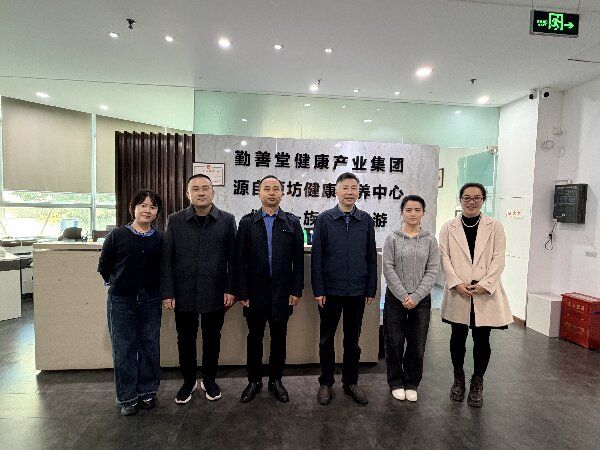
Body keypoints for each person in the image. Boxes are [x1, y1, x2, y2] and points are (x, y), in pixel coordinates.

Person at [161, 174, 237, 404]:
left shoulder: (226, 220)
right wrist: (168, 292)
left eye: (205, 188)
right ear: (188, 194)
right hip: (183, 291)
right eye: (195, 189)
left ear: (213, 192)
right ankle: (188, 381)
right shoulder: (175, 220)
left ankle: (209, 380)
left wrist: (231, 289)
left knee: (212, 338)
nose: (201, 192)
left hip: (215, 291)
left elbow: (233, 259)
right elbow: (167, 259)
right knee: (185, 339)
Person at [439, 182, 512, 407]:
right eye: (467, 198)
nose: (471, 202)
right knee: (457, 337)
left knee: (482, 339)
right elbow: (444, 258)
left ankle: (477, 382)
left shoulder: (495, 226)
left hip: (484, 292)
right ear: (460, 200)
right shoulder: (448, 227)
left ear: (483, 200)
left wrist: (486, 284)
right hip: (459, 291)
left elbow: (499, 258)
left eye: (477, 198)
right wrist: (455, 283)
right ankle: (458, 379)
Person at [233, 175, 304, 403]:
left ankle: (276, 381)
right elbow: (239, 261)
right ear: (259, 193)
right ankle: (254, 381)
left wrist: (296, 290)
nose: (271, 192)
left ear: (282, 193)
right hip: (254, 294)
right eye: (267, 188)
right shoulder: (247, 223)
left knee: (279, 338)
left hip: (282, 293)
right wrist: (242, 292)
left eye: (276, 189)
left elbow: (298, 262)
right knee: (254, 338)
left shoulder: (292, 223)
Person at [311, 172, 377, 406]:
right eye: (345, 188)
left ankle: (350, 381)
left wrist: (371, 288)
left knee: (353, 340)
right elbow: (317, 258)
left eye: (353, 188)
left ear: (358, 192)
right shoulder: (324, 220)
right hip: (330, 291)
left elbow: (370, 257)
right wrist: (318, 290)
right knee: (326, 339)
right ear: (336, 191)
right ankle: (326, 382)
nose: (350, 192)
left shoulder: (366, 220)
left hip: (357, 291)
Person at [98, 189, 164, 416]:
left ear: (157, 212)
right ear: (133, 208)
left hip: (151, 299)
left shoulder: (160, 238)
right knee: (124, 348)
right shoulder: (117, 235)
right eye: (143, 205)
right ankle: (127, 398)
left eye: (152, 207)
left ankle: (148, 392)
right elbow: (104, 266)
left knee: (149, 345)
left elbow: (164, 268)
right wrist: (118, 283)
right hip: (121, 300)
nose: (147, 210)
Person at [382, 195, 439, 402]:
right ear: (401, 212)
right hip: (395, 299)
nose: (413, 214)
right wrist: (403, 295)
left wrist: (415, 296)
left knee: (417, 344)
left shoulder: (430, 240)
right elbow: (388, 268)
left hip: (421, 301)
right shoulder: (392, 238)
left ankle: (412, 382)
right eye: (408, 210)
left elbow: (432, 271)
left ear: (423, 213)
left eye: (417, 210)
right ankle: (396, 382)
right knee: (394, 342)